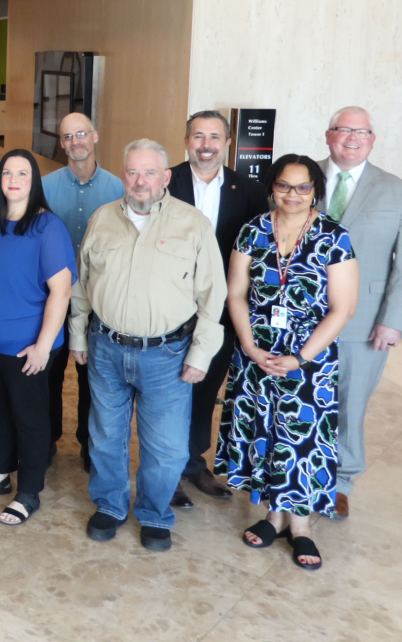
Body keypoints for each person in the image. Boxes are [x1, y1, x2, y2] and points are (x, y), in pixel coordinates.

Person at [69, 139, 225, 552]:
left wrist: (201, 353)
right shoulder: (102, 219)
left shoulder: (193, 225)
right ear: (123, 176)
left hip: (168, 355)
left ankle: (155, 514)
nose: (141, 181)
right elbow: (82, 286)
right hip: (107, 348)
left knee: (167, 444)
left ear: (165, 178)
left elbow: (214, 296)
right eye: (133, 172)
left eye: (150, 172)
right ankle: (111, 505)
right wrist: (77, 336)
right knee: (105, 435)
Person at [217, 154, 358, 571]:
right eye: (283, 185)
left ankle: (301, 526)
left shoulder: (334, 236)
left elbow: (343, 308)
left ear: (316, 189)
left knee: (303, 441)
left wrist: (300, 357)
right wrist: (248, 345)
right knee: (264, 431)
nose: (292, 195)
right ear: (272, 187)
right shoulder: (253, 231)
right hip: (256, 355)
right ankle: (273, 517)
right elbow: (236, 294)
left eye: (302, 187)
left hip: (308, 362)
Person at [0, 149, 75, 525]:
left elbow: (62, 291)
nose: (13, 179)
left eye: (22, 173)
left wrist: (43, 346)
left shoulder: (47, 227)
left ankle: (29, 491)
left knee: (30, 418)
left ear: (34, 180)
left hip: (26, 347)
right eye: (8, 172)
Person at [321, 106, 402, 519]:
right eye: (343, 130)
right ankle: (292, 475)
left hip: (363, 320)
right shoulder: (302, 178)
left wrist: (394, 319)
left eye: (361, 131)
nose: (352, 137)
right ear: (328, 135)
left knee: (349, 404)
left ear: (373, 139)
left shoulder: (398, 189)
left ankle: (342, 481)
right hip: (301, 316)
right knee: (295, 398)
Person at [166, 110, 271, 508]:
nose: (205, 145)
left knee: (207, 386)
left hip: (223, 308)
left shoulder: (248, 190)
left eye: (214, 137)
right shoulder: (167, 181)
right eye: (198, 136)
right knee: (170, 390)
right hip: (170, 306)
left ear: (227, 144)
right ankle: (167, 468)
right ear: (186, 141)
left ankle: (194, 463)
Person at [40, 112, 123, 473]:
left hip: (102, 299)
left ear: (95, 137)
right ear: (61, 143)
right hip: (52, 299)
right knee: (49, 372)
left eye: (82, 134)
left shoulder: (119, 189)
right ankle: (46, 439)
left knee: (96, 379)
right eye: (68, 136)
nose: (75, 142)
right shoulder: (43, 186)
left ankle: (90, 446)